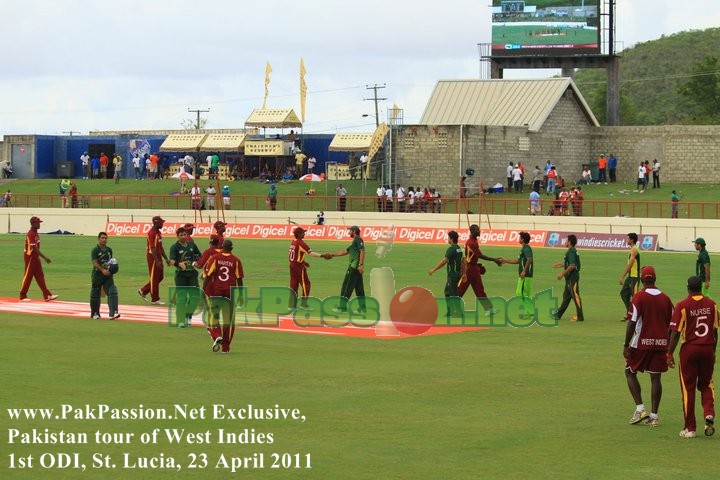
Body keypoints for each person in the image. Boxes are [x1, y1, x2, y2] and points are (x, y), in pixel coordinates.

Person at [667, 275, 718, 438]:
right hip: (708, 348)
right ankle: (709, 413)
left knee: (688, 388)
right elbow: (715, 331)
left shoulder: (682, 305)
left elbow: (675, 333)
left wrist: (669, 353)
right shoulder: (712, 304)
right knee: (706, 383)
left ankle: (690, 428)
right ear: (701, 287)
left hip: (689, 349)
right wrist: (714, 351)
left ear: (688, 287)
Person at [623, 266, 674, 427]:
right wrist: (669, 347)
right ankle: (654, 416)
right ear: (655, 279)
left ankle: (640, 409)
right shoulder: (666, 298)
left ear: (642, 279)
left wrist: (626, 344)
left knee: (629, 372)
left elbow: (632, 323)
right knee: (656, 378)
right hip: (661, 344)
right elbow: (673, 325)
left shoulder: (638, 297)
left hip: (641, 344)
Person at [204, 239, 244, 353]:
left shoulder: (215, 258)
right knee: (229, 321)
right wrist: (240, 295)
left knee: (213, 316)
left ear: (222, 247)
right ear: (232, 248)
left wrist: (203, 289)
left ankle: (217, 335)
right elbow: (239, 279)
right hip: (230, 293)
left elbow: (208, 276)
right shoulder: (236, 260)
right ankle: (225, 348)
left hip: (216, 292)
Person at [457, 224, 502, 317]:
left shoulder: (473, 241)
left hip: (474, 268)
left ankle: (489, 309)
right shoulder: (471, 243)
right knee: (461, 289)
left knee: (479, 289)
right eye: (477, 230)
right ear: (472, 232)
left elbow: (476, 256)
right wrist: (495, 260)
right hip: (469, 268)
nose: (479, 231)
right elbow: (480, 255)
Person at [326, 225, 366, 314]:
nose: (349, 232)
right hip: (356, 268)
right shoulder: (354, 242)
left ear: (354, 231)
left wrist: (360, 265)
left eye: (350, 230)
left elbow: (362, 251)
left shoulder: (358, 240)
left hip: (354, 268)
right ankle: (363, 309)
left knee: (346, 287)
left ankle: (342, 307)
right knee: (359, 289)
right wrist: (333, 255)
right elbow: (345, 251)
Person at [168, 227, 203, 328]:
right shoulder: (174, 247)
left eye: (185, 235)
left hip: (192, 274)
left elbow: (198, 256)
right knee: (181, 298)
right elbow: (171, 261)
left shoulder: (192, 245)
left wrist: (197, 263)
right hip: (181, 275)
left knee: (195, 297)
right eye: (181, 235)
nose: (184, 237)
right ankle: (180, 321)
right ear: (177, 236)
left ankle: (188, 315)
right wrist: (179, 264)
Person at [19, 216, 59, 302]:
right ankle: (22, 296)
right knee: (28, 276)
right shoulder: (31, 234)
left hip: (35, 257)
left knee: (40, 276)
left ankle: (47, 295)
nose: (39, 224)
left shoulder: (35, 233)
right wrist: (45, 258)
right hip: (30, 257)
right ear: (33, 224)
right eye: (37, 223)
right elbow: (34, 248)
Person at [428, 230, 464, 318]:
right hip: (457, 273)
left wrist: (434, 269)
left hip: (453, 275)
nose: (447, 239)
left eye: (448, 237)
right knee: (447, 291)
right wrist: (464, 273)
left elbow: (445, 261)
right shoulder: (459, 248)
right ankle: (450, 312)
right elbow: (463, 261)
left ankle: (459, 313)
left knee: (453, 293)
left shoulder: (451, 249)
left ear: (451, 239)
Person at [288, 227, 325, 310]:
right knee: (306, 284)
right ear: (299, 234)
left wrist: (304, 262)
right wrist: (322, 255)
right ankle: (303, 304)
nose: (304, 234)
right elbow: (310, 253)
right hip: (298, 267)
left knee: (294, 284)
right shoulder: (301, 243)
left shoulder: (293, 242)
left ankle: (291, 305)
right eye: (303, 233)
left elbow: (296, 254)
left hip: (292, 265)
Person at [500, 232, 534, 318]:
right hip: (527, 276)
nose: (518, 239)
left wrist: (524, 271)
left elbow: (530, 259)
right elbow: (518, 261)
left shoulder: (526, 248)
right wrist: (505, 261)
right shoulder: (524, 248)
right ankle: (528, 312)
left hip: (525, 275)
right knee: (525, 294)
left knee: (520, 293)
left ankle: (529, 312)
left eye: (520, 237)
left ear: (522, 239)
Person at [552, 234, 584, 321]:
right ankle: (558, 315)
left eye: (566, 240)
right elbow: (571, 264)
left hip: (572, 277)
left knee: (575, 296)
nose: (565, 242)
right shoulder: (572, 251)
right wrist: (563, 265)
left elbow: (572, 266)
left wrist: (562, 274)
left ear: (569, 242)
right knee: (566, 296)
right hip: (570, 278)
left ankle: (580, 316)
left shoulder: (571, 252)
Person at [138, 215, 168, 305]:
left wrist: (166, 258)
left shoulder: (158, 232)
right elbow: (153, 248)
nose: (163, 224)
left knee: (160, 277)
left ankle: (143, 290)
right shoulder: (152, 233)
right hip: (152, 256)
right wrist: (157, 261)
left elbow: (160, 247)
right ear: (156, 223)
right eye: (161, 222)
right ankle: (155, 299)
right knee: (155, 277)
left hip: (157, 256)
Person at [90, 232, 119, 320]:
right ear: (99, 239)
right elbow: (94, 263)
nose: (104, 240)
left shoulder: (109, 250)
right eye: (102, 238)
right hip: (97, 275)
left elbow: (110, 262)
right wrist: (102, 270)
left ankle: (113, 313)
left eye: (105, 238)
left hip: (107, 275)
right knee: (95, 293)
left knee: (112, 291)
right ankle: (95, 313)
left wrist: (113, 268)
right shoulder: (95, 250)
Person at [619, 233, 641, 321]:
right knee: (623, 293)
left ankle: (637, 316)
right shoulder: (632, 249)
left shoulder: (634, 250)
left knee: (635, 298)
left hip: (634, 277)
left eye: (628, 239)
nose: (626, 240)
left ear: (632, 240)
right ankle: (630, 313)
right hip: (630, 277)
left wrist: (622, 276)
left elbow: (630, 264)